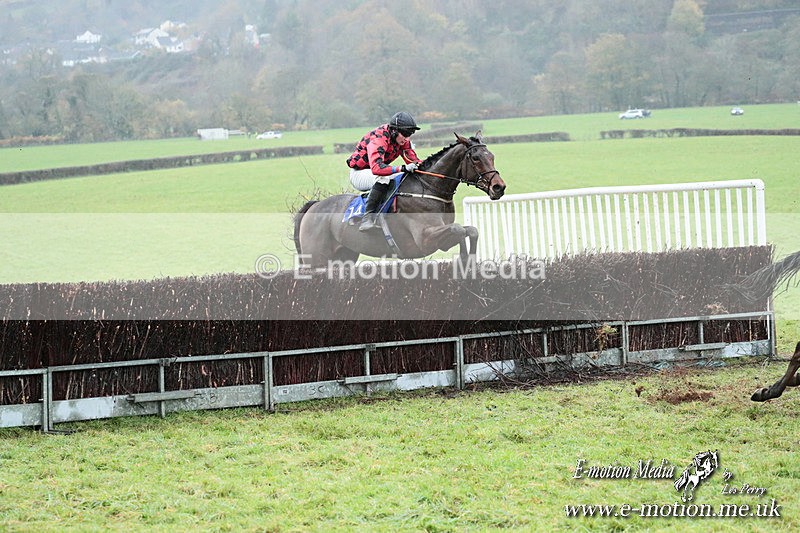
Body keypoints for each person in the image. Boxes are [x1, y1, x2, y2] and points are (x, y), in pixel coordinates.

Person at [346, 111, 422, 231]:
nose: (407, 138)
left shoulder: (401, 140)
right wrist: (401, 168)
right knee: (384, 178)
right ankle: (367, 219)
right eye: (405, 134)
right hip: (359, 173)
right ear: (394, 131)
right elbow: (377, 168)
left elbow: (413, 161)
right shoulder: (379, 139)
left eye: (410, 134)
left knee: (405, 176)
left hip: (376, 171)